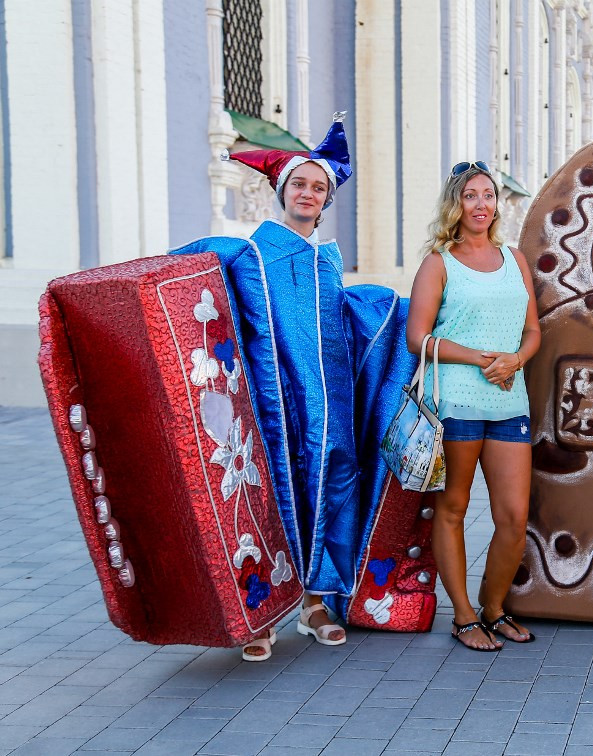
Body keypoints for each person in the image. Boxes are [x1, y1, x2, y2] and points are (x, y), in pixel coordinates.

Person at [221, 114, 357, 660]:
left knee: (325, 485)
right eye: (299, 184)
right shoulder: (250, 251)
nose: (308, 193)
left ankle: (313, 600)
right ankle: (260, 608)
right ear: (282, 191)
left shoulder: (329, 257)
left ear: (327, 199)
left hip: (329, 397)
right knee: (268, 492)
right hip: (271, 398)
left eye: (318, 187)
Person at [406, 161, 541, 651]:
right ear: (455, 205)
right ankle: (463, 617)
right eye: (471, 196)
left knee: (513, 516)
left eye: (488, 195)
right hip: (456, 401)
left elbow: (533, 331)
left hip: (509, 400)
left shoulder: (514, 259)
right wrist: (478, 357)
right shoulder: (439, 261)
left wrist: (516, 360)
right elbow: (415, 338)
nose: (481, 204)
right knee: (454, 508)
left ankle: (494, 607)